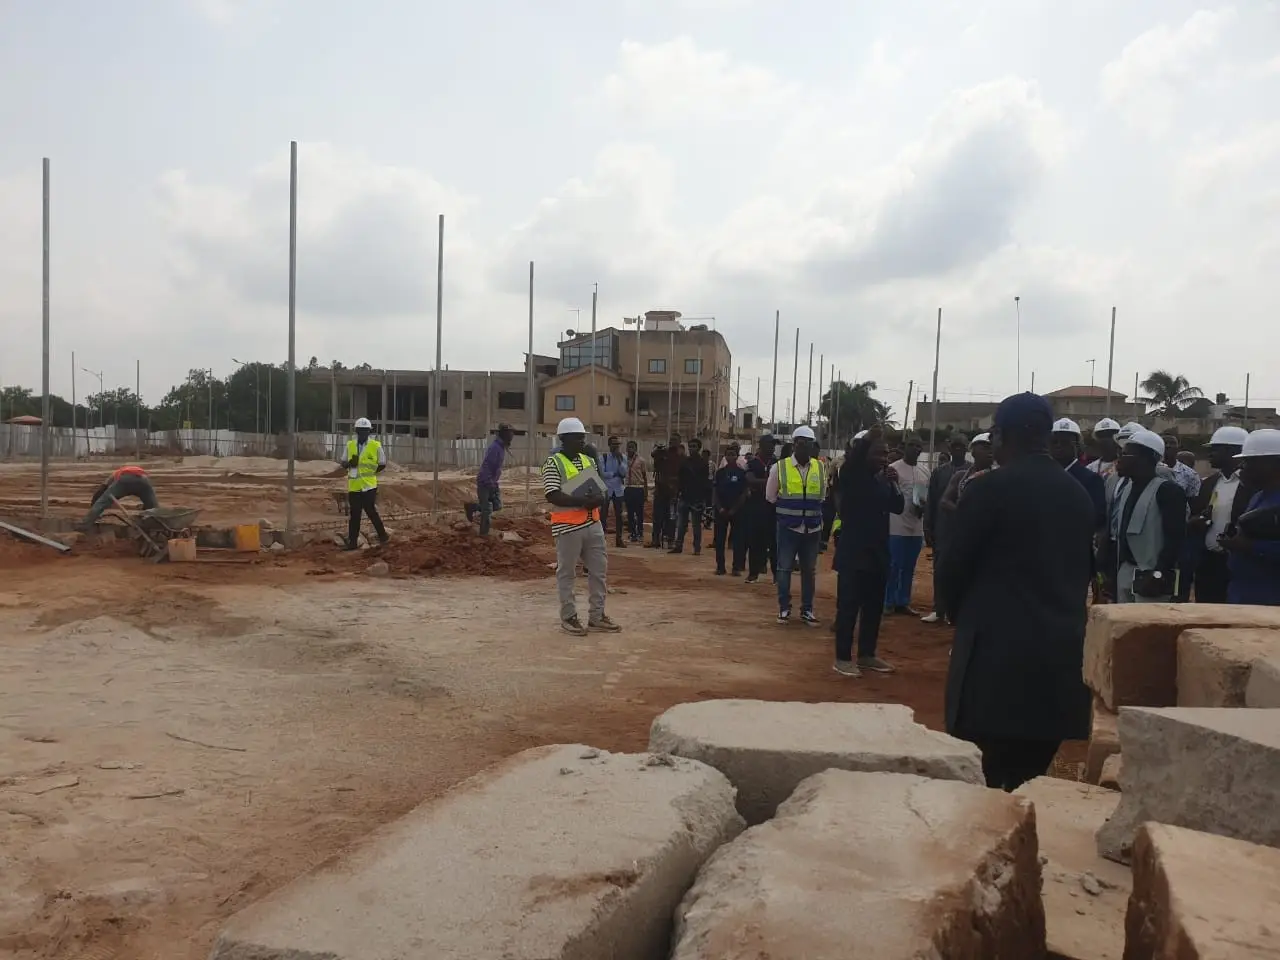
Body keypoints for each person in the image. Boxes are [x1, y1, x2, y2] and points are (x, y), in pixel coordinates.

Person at [939, 393, 1095, 792]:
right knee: (1029, 785)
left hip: (995, 671)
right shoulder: (1078, 494)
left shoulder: (988, 490)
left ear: (1001, 436)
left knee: (986, 791)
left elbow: (953, 570)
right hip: (1058, 671)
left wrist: (962, 620)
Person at [832, 429, 905, 676]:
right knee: (848, 608)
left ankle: (867, 654)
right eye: (879, 453)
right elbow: (854, 459)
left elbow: (898, 506)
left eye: (886, 453)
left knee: (873, 609)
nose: (884, 458)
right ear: (864, 454)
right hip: (854, 554)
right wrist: (865, 441)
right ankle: (842, 658)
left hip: (878, 554)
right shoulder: (851, 475)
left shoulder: (883, 479)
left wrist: (895, 483)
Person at [542, 417, 620, 635]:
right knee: (567, 573)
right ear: (563, 439)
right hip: (567, 527)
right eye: (577, 438)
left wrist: (600, 497)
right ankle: (569, 617)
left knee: (599, 571)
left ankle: (597, 616)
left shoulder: (588, 461)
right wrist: (582, 501)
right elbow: (552, 494)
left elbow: (600, 488)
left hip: (592, 524)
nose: (582, 442)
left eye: (583, 438)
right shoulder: (553, 463)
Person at [1113, 430, 1186, 603]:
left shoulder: (1167, 491)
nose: (1119, 459)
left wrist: (1159, 573)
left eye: (1125, 454)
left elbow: (1175, 539)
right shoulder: (1127, 488)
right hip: (1126, 570)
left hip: (1152, 576)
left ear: (1145, 459)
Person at [766, 426, 825, 625]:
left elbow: (822, 496)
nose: (805, 447)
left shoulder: (820, 467)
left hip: (812, 528)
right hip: (788, 527)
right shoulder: (779, 467)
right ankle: (784, 608)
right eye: (800, 443)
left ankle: (807, 610)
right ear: (794, 444)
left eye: (808, 444)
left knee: (809, 571)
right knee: (784, 568)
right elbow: (770, 496)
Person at [1190, 426, 1253, 602]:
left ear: (1233, 451)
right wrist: (1196, 522)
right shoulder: (1209, 483)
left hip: (1238, 563)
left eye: (1215, 449)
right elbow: (1195, 515)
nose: (1210, 454)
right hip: (1209, 562)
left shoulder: (1252, 485)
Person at [1220, 428, 1280, 606]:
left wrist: (1250, 546)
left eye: (1250, 461)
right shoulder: (1258, 496)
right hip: (1243, 592)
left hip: (1271, 598)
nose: (1242, 467)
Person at [922, 436, 970, 624]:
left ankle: (956, 611)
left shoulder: (972, 471)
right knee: (940, 569)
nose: (957, 449)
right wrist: (927, 526)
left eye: (961, 446)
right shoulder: (939, 472)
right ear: (949, 448)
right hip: (942, 529)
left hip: (965, 530)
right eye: (954, 446)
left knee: (961, 570)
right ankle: (938, 609)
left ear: (966, 448)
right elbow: (932, 501)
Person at [885, 437, 931, 615]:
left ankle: (903, 601)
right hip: (896, 525)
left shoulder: (925, 471)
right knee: (893, 565)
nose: (916, 449)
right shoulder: (893, 468)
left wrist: (924, 507)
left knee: (909, 566)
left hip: (916, 525)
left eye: (919, 446)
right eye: (912, 445)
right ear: (904, 448)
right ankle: (888, 601)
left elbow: (926, 496)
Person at [339, 417, 389, 551]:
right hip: (354, 486)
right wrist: (350, 464)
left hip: (369, 485)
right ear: (356, 432)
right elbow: (343, 462)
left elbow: (382, 464)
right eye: (360, 431)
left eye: (365, 431)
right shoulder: (350, 445)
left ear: (369, 432)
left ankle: (383, 536)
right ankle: (352, 542)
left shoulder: (375, 445)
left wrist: (372, 473)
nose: (362, 434)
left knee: (371, 511)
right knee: (355, 514)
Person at [1050, 419, 1106, 530]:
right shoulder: (1042, 476)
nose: (1058, 446)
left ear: (1077, 446)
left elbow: (1097, 517)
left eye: (1065, 442)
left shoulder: (1091, 479)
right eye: (1054, 442)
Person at [466, 423, 513, 537]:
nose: (512, 436)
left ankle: (472, 507)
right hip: (484, 482)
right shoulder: (495, 448)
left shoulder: (501, 448)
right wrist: (489, 483)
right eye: (510, 433)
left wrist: (494, 482)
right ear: (504, 434)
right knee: (487, 509)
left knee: (497, 506)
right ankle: (483, 535)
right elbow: (487, 466)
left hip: (492, 482)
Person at [744, 434, 778, 583]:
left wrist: (763, 483)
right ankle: (753, 573)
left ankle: (777, 575)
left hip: (773, 508)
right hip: (756, 508)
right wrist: (771, 482)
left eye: (774, 445)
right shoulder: (752, 463)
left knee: (775, 543)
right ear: (762, 445)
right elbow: (750, 480)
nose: (772, 447)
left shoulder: (778, 463)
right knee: (755, 542)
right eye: (770, 444)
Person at [712, 441, 750, 575]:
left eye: (733, 454)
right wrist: (720, 508)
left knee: (738, 540)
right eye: (728, 454)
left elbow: (744, 493)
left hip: (737, 510)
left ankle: (736, 567)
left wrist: (734, 509)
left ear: (737, 456)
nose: (730, 457)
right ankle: (720, 566)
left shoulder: (741, 473)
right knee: (720, 540)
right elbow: (715, 492)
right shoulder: (720, 473)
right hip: (721, 509)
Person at [82, 464, 159, 529]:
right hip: (144, 480)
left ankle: (84, 525)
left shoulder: (115, 474)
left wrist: (94, 505)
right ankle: (154, 524)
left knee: (102, 503)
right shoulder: (135, 470)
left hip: (125, 480)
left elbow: (101, 491)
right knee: (152, 507)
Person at [671, 438, 709, 554]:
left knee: (696, 525)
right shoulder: (685, 462)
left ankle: (697, 548)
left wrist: (703, 499)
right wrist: (677, 494)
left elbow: (705, 482)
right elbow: (680, 479)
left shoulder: (703, 463)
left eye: (694, 446)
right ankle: (678, 546)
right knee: (681, 524)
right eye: (690, 446)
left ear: (699, 448)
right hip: (684, 496)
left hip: (696, 498)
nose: (691, 448)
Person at [649, 437, 683, 549]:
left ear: (679, 442)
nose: (672, 442)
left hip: (673, 492)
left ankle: (670, 540)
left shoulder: (680, 457)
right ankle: (655, 539)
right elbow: (653, 454)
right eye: (671, 440)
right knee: (657, 516)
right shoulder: (663, 453)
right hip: (660, 490)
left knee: (671, 518)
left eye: (675, 440)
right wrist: (658, 448)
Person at [599, 435, 629, 548]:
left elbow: (624, 472)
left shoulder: (623, 458)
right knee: (603, 515)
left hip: (618, 491)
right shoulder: (604, 458)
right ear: (609, 445)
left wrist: (620, 461)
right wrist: (614, 474)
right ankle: (601, 539)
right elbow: (602, 473)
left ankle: (619, 539)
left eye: (617, 444)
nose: (616, 446)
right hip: (606, 490)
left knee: (619, 516)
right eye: (613, 444)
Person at [623, 439, 648, 544]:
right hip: (628, 488)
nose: (630, 449)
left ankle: (640, 532)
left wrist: (646, 491)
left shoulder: (641, 461)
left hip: (638, 488)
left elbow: (644, 476)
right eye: (629, 447)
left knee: (639, 513)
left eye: (632, 447)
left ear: (636, 449)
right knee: (630, 513)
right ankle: (633, 533)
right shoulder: (624, 460)